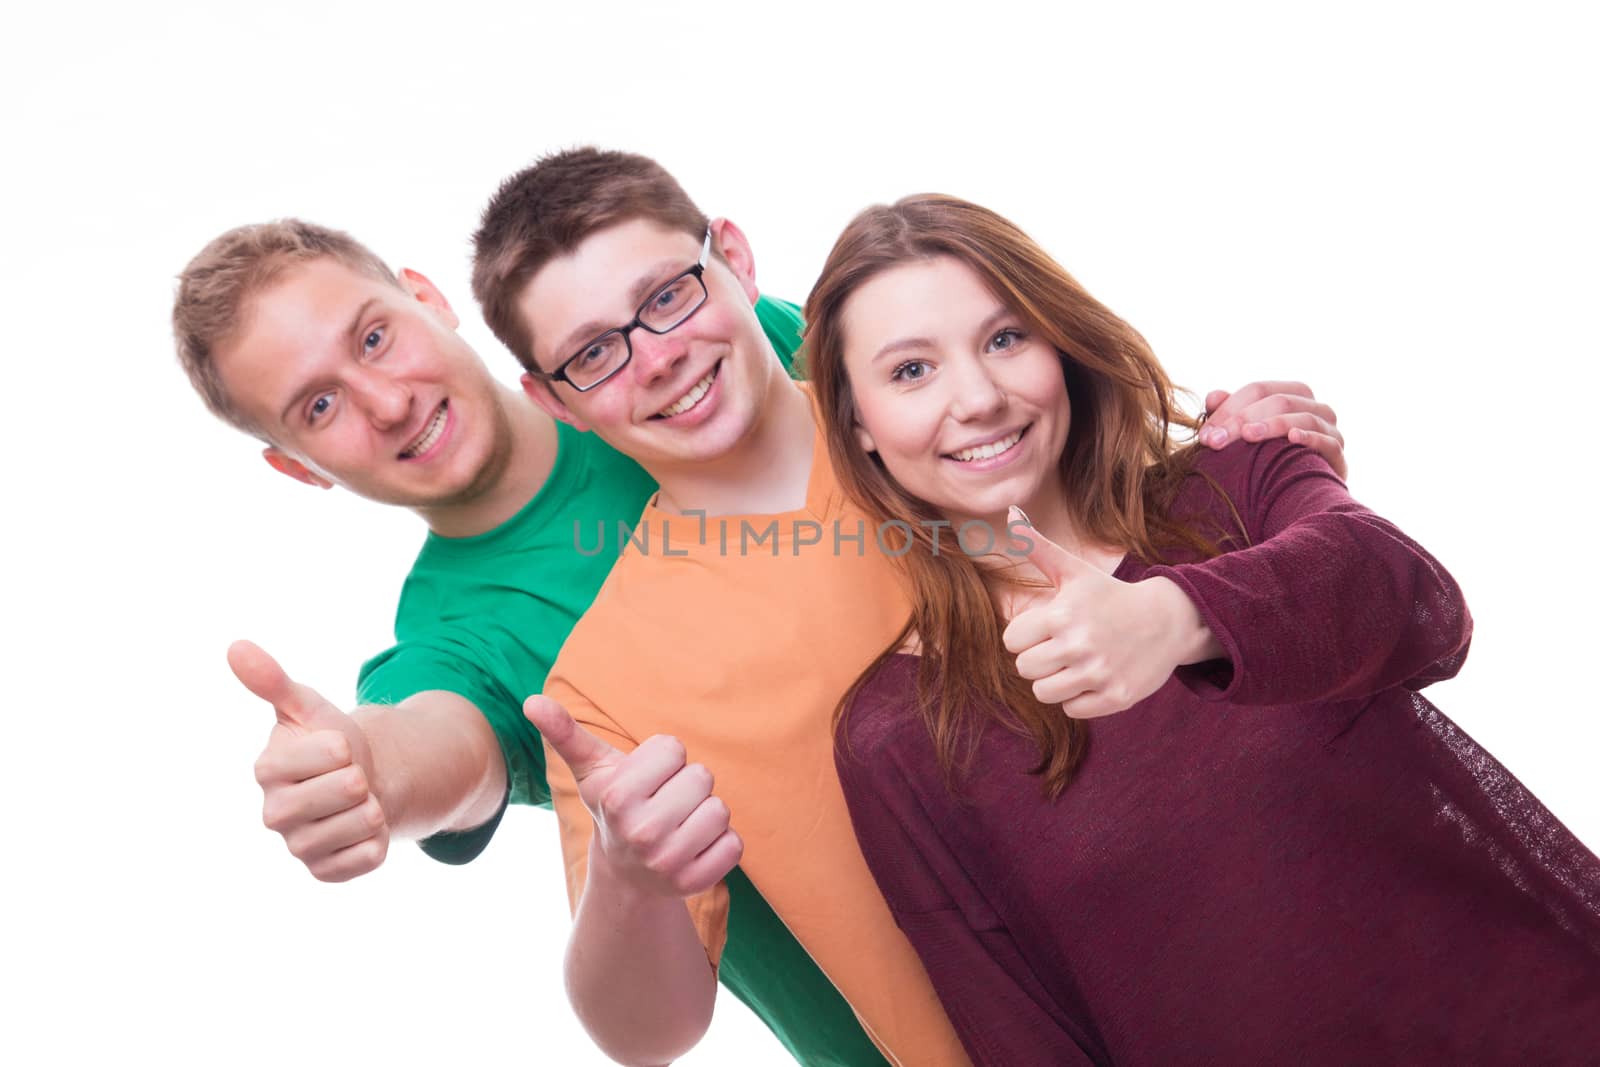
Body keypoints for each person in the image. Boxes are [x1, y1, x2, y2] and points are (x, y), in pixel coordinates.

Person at [474, 148, 1347, 1066]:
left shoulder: (968, 412)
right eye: (592, 354)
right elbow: (646, 1034)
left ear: (734, 253)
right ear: (550, 401)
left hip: (1306, 971)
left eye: (667, 295)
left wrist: (1273, 482)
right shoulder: (609, 680)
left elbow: (1221, 574)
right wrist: (630, 881)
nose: (657, 357)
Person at [801, 193, 1600, 1065]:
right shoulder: (897, 737)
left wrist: (1176, 616)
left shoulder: (1237, 472)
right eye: (911, 371)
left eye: (1004, 338)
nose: (979, 398)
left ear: (1058, 343)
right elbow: (1022, 1034)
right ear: (858, 424)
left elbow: (1419, 605)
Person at [172, 218, 889, 1066]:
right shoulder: (459, 640)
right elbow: (433, 742)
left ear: (427, 298)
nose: (388, 401)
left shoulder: (701, 352)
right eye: (319, 407)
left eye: (374, 337)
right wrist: (363, 771)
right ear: (300, 469)